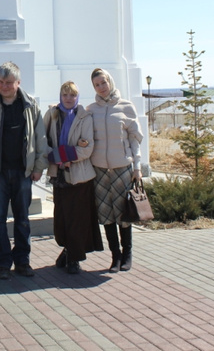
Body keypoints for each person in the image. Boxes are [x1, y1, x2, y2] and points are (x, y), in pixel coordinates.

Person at [0, 62, 49, 280]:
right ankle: (3, 263)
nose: (4, 86)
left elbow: (40, 138)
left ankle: (22, 261)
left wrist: (39, 167)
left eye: (8, 82)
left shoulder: (30, 106)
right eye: (0, 82)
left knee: (23, 219)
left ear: (18, 82)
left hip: (23, 173)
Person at [43, 81, 103, 274]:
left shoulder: (85, 117)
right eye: (65, 95)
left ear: (78, 97)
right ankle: (67, 250)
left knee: (77, 219)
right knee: (62, 217)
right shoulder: (52, 114)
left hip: (80, 176)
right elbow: (42, 141)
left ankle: (74, 258)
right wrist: (61, 158)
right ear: (60, 96)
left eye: (72, 95)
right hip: (59, 175)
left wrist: (66, 157)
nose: (68, 98)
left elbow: (87, 148)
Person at [88, 68, 143, 273]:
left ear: (110, 81)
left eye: (103, 82)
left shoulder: (126, 107)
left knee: (123, 213)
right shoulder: (91, 110)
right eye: (97, 85)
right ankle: (115, 257)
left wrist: (137, 167)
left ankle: (127, 254)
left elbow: (135, 139)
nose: (101, 87)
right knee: (106, 214)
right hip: (100, 169)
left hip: (122, 167)